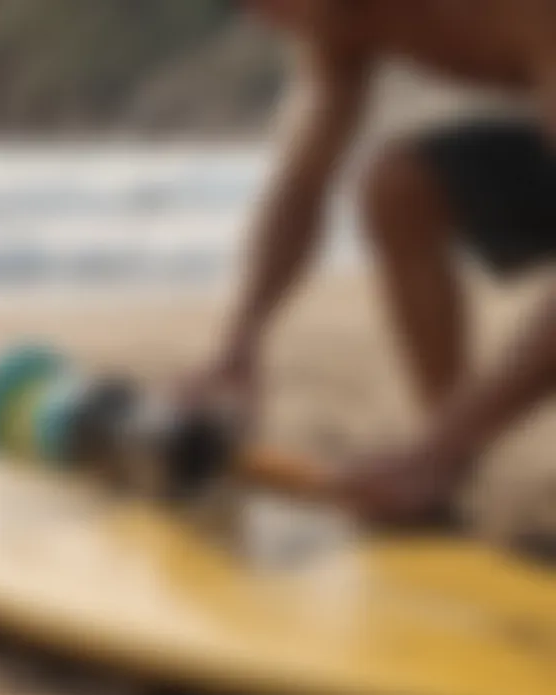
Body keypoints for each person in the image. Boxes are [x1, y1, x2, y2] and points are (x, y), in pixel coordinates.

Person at [188, 0, 556, 524]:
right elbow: (302, 184)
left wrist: (435, 451)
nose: (259, 18)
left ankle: (439, 455)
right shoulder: (339, 23)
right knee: (399, 186)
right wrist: (240, 343)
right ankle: (445, 462)